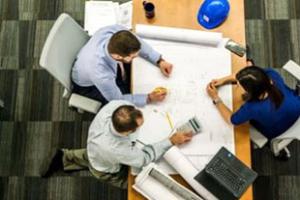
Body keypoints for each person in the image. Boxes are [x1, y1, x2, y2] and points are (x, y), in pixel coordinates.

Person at [41, 100, 193, 188]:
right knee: (134, 182)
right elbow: (144, 158)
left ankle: (64, 157)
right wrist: (171, 140)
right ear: (127, 132)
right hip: (106, 168)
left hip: (94, 147)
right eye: (139, 126)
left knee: (89, 156)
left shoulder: (116, 106)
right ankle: (66, 160)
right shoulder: (117, 149)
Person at [72, 24, 173, 107]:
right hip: (88, 86)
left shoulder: (116, 31)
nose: (136, 57)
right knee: (125, 103)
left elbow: (138, 43)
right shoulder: (101, 74)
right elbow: (117, 99)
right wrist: (149, 98)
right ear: (117, 56)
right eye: (133, 56)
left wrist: (159, 61)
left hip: (88, 61)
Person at [206, 65, 300, 141]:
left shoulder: (252, 108)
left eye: (238, 85)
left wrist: (216, 98)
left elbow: (231, 120)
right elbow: (254, 75)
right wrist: (223, 80)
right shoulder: (272, 75)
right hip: (296, 107)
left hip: (278, 130)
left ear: (250, 92)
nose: (236, 86)